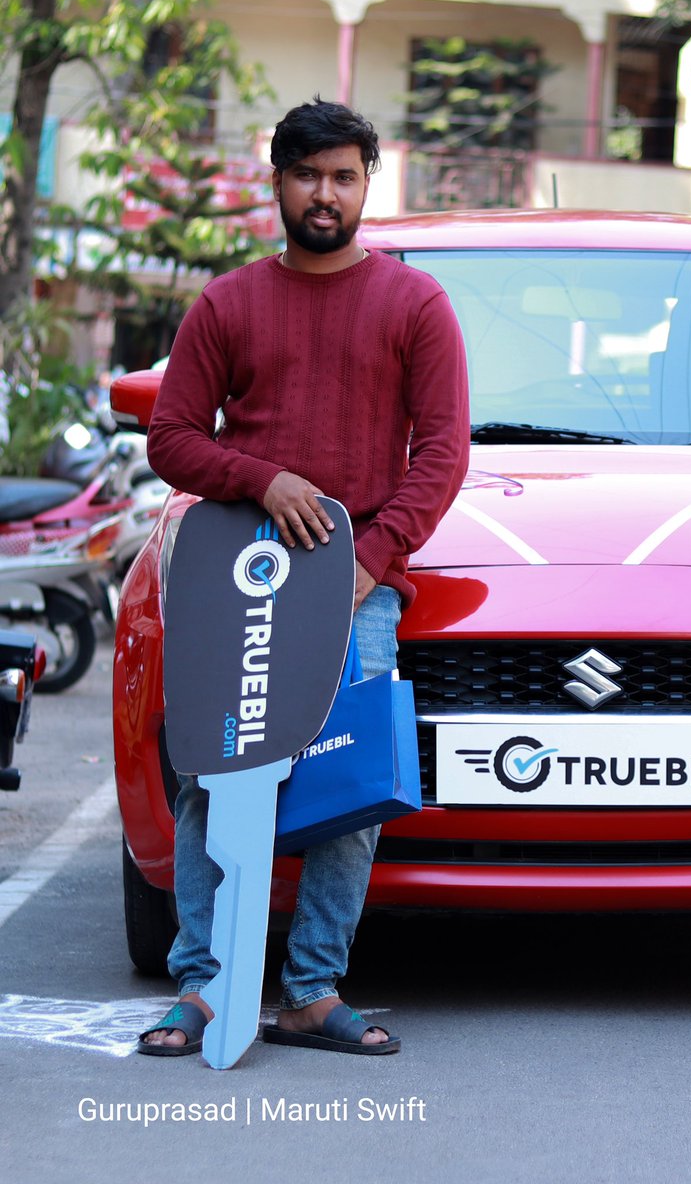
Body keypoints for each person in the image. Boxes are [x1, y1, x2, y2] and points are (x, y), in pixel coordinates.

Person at [137, 98, 470, 1057]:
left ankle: (312, 990)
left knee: (349, 785)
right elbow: (172, 438)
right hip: (235, 580)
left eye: (344, 177)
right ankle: (204, 987)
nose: (326, 194)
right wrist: (263, 478)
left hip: (356, 587)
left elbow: (443, 454)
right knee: (210, 774)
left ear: (368, 185)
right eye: (308, 176)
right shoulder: (227, 303)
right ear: (277, 183)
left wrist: (371, 559)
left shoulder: (415, 304)